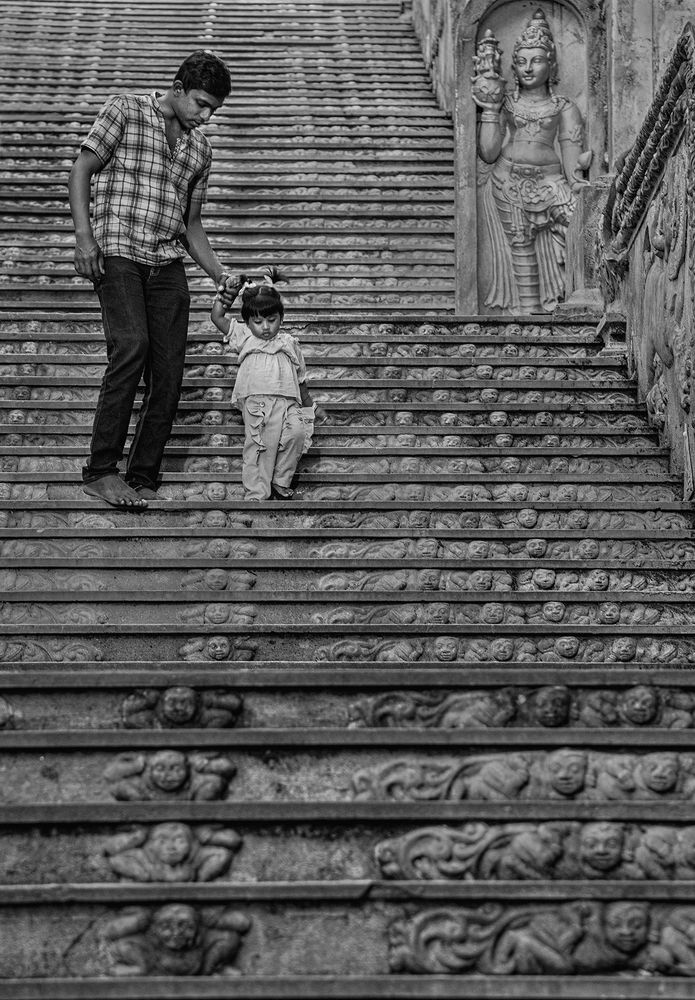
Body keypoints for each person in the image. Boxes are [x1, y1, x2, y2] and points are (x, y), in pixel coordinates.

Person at [68, 50, 238, 508]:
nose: (206, 116)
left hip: (167, 263)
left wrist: (221, 274)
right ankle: (101, 470)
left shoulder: (200, 148)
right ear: (178, 88)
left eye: (213, 110)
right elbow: (81, 169)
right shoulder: (124, 109)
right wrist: (85, 239)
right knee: (132, 348)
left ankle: (142, 475)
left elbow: (191, 222)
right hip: (119, 250)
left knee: (169, 371)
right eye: (201, 104)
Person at [472, 9, 592, 313]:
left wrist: (576, 182)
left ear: (550, 65)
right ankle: (529, 315)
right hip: (507, 179)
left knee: (578, 222)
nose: (528, 68)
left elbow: (570, 157)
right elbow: (488, 152)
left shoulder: (563, 106)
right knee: (520, 244)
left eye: (536, 60)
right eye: (522, 61)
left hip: (551, 182)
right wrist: (489, 109)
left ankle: (575, 296)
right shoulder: (507, 102)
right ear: (513, 66)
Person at [211, 268, 325, 500]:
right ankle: (257, 492)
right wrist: (225, 296)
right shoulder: (244, 336)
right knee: (261, 445)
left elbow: (301, 380)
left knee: (297, 434)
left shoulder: (290, 343)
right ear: (247, 322)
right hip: (257, 401)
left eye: (271, 320)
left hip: (290, 401)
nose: (265, 327)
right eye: (258, 321)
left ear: (281, 318)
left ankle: (281, 479)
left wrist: (311, 407)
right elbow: (218, 318)